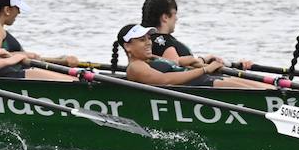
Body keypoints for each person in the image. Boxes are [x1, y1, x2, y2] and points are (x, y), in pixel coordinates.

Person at [113, 24, 270, 89]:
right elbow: (165, 80)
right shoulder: (136, 67)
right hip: (202, 87)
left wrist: (200, 61)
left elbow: (175, 63)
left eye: (148, 38)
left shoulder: (149, 58)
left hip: (207, 80)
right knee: (261, 91)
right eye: (142, 40)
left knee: (268, 88)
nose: (148, 42)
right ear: (127, 46)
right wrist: (205, 69)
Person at [0, 0, 79, 68]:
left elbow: (6, 56)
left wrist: (61, 60)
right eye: (17, 8)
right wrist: (24, 55)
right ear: (7, 10)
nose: (19, 12)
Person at [141, 0, 244, 69]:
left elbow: (184, 63)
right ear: (165, 17)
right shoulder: (162, 41)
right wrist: (211, 67)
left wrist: (205, 59)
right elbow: (177, 68)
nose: (176, 19)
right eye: (175, 14)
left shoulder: (150, 40)